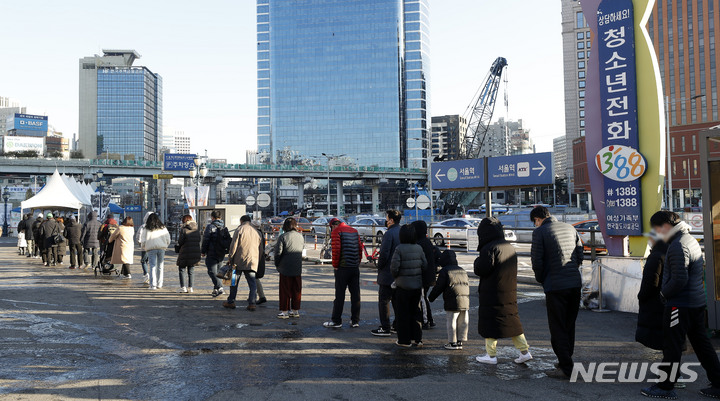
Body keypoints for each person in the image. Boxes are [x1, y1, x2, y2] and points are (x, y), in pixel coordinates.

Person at [641, 211, 720, 399]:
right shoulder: (689, 239)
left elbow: (678, 279)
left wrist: (663, 293)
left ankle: (666, 387)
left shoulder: (677, 245)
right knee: (702, 344)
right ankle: (718, 382)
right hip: (695, 303)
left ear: (665, 227)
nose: (656, 233)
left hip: (679, 304)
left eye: (656, 229)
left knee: (672, 346)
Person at [530, 206, 584, 378]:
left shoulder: (539, 233)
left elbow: (536, 261)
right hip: (574, 283)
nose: (535, 225)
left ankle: (566, 368)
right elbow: (580, 254)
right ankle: (565, 360)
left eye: (535, 222)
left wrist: (541, 279)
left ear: (537, 219)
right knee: (569, 325)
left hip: (555, 285)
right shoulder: (570, 228)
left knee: (557, 327)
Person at [474, 217, 532, 365]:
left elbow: (482, 269)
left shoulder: (489, 248)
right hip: (509, 290)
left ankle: (491, 355)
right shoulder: (509, 246)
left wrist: (476, 261)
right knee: (511, 321)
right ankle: (524, 352)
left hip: (492, 292)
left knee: (490, 323)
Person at [390, 224, 427, 347]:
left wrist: (397, 276)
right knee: (416, 312)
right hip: (416, 286)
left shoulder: (399, 249)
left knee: (402, 314)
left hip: (402, 286)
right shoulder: (419, 248)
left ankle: (404, 340)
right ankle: (418, 339)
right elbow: (424, 265)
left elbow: (394, 268)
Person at [323, 217, 363, 328]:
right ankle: (355, 320)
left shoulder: (337, 231)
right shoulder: (354, 231)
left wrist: (335, 265)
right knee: (355, 295)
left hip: (343, 267)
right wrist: (357, 262)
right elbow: (360, 248)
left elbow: (336, 250)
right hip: (354, 267)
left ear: (333, 225)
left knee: (340, 295)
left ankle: (336, 321)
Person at [428, 250, 470, 350]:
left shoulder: (445, 271)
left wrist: (431, 297)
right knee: (463, 321)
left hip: (452, 300)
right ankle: (460, 341)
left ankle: (452, 342)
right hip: (465, 300)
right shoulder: (462, 270)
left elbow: (439, 287)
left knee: (452, 320)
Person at [371, 209, 402, 337]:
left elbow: (384, 254)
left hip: (388, 273)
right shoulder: (402, 231)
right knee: (397, 301)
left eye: (387, 218)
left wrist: (379, 266)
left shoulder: (389, 234)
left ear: (391, 220)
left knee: (384, 301)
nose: (386, 220)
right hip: (400, 273)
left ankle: (385, 327)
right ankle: (396, 325)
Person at [635, 230, 668, 351]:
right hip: (666, 300)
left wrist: (641, 297)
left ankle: (670, 368)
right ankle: (670, 368)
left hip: (655, 303)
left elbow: (650, 282)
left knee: (663, 341)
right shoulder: (669, 251)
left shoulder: (656, 256)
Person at [223, 215, 261, 311]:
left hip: (238, 261)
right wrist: (258, 260)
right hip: (252, 261)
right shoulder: (256, 232)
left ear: (241, 221)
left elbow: (233, 245)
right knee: (252, 283)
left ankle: (231, 301)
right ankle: (252, 303)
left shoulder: (239, 229)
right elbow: (260, 249)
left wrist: (230, 257)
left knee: (233, 282)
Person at [411, 220, 441, 329]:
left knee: (422, 298)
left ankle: (425, 321)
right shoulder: (426, 242)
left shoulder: (420, 243)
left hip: (423, 277)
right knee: (423, 298)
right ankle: (429, 319)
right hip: (428, 275)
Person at [274, 217, 305, 319]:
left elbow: (278, 253)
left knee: (285, 290)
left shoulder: (283, 237)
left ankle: (284, 311)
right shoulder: (300, 237)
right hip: (297, 267)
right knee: (296, 289)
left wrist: (277, 264)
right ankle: (295, 311)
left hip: (285, 268)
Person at [140, 213, 171, 290]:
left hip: (151, 249)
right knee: (160, 266)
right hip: (161, 248)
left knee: (152, 266)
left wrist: (144, 247)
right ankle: (159, 284)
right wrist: (165, 246)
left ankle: (153, 285)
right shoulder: (163, 228)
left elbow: (143, 240)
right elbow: (168, 238)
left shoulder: (146, 228)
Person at [202, 210, 228, 297]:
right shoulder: (223, 227)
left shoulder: (210, 227)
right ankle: (216, 289)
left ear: (212, 217)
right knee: (218, 272)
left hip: (212, 252)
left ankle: (220, 287)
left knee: (211, 271)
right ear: (220, 217)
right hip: (221, 253)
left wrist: (203, 251)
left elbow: (206, 240)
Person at [176, 214, 201, 294]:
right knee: (191, 270)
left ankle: (183, 287)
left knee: (182, 269)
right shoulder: (196, 229)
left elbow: (180, 242)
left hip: (185, 252)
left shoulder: (184, 229)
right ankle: (190, 287)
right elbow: (199, 239)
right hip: (194, 252)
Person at [252, 220, 268, 305]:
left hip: (256, 258)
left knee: (254, 277)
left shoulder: (256, 234)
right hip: (259, 258)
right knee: (253, 277)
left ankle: (260, 296)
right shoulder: (260, 233)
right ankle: (255, 296)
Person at [136, 212, 154, 284]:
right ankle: (153, 276)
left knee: (144, 261)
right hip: (154, 246)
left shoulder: (143, 226)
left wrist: (140, 243)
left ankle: (146, 274)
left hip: (145, 246)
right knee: (153, 262)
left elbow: (138, 236)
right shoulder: (156, 226)